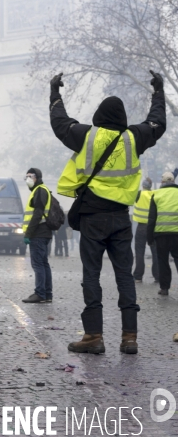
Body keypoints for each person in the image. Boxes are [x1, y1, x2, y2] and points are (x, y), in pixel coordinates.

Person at [51, 70, 166, 355]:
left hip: (92, 216)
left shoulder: (87, 136)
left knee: (91, 274)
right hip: (120, 219)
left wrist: (55, 93)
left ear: (99, 115)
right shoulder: (134, 137)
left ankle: (93, 336)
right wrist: (158, 91)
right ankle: (129, 338)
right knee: (124, 277)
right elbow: (157, 123)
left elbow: (60, 123)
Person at [21, 168, 54, 304]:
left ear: (37, 177)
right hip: (42, 232)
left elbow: (37, 214)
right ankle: (47, 294)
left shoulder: (40, 190)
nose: (28, 179)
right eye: (26, 176)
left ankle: (40, 293)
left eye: (30, 176)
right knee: (43, 263)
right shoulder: (40, 190)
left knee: (38, 264)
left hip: (38, 233)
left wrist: (28, 233)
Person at [147, 172, 178, 298]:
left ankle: (164, 288)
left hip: (161, 234)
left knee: (163, 262)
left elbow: (152, 218)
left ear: (162, 182)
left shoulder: (156, 194)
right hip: (177, 234)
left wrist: (149, 238)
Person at [133, 177, 158, 283]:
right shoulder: (155, 195)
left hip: (141, 227)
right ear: (150, 186)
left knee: (139, 252)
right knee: (155, 253)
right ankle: (158, 276)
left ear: (143, 186)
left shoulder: (138, 194)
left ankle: (138, 276)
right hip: (153, 227)